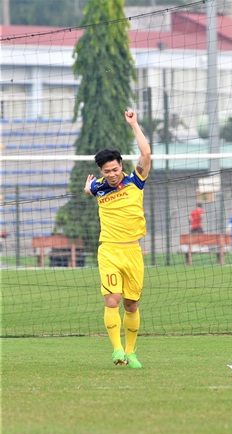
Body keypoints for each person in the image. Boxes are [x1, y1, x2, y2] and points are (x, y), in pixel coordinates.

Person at [84, 110, 151, 369]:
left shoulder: (136, 180)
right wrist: (87, 189)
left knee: (131, 304)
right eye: (106, 170)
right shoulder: (99, 187)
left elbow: (145, 155)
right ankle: (117, 350)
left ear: (121, 166)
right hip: (109, 251)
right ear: (100, 171)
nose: (111, 174)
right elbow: (91, 190)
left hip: (133, 251)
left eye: (114, 169)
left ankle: (132, 352)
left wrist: (134, 124)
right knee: (112, 299)